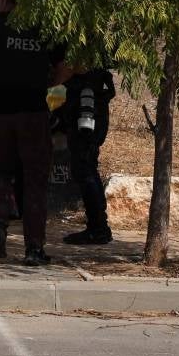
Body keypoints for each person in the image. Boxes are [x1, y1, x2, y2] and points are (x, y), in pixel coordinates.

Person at [0, 0, 71, 265]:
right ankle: (34, 249)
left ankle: (0, 224)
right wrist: (52, 83)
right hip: (33, 111)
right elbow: (68, 65)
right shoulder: (45, 28)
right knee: (35, 178)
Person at [60, 68, 115, 245]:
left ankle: (98, 228)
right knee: (88, 170)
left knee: (85, 171)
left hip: (86, 121)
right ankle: (99, 227)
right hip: (91, 119)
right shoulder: (97, 78)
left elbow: (72, 71)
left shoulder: (86, 77)